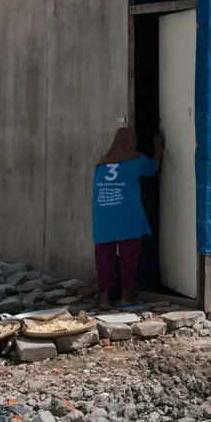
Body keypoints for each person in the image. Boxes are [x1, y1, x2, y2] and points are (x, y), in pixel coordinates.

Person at [91, 127, 163, 308]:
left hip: (103, 217)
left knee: (104, 258)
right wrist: (159, 147)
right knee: (128, 256)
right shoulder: (136, 159)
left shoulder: (101, 163)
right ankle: (125, 297)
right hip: (127, 216)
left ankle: (104, 300)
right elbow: (154, 167)